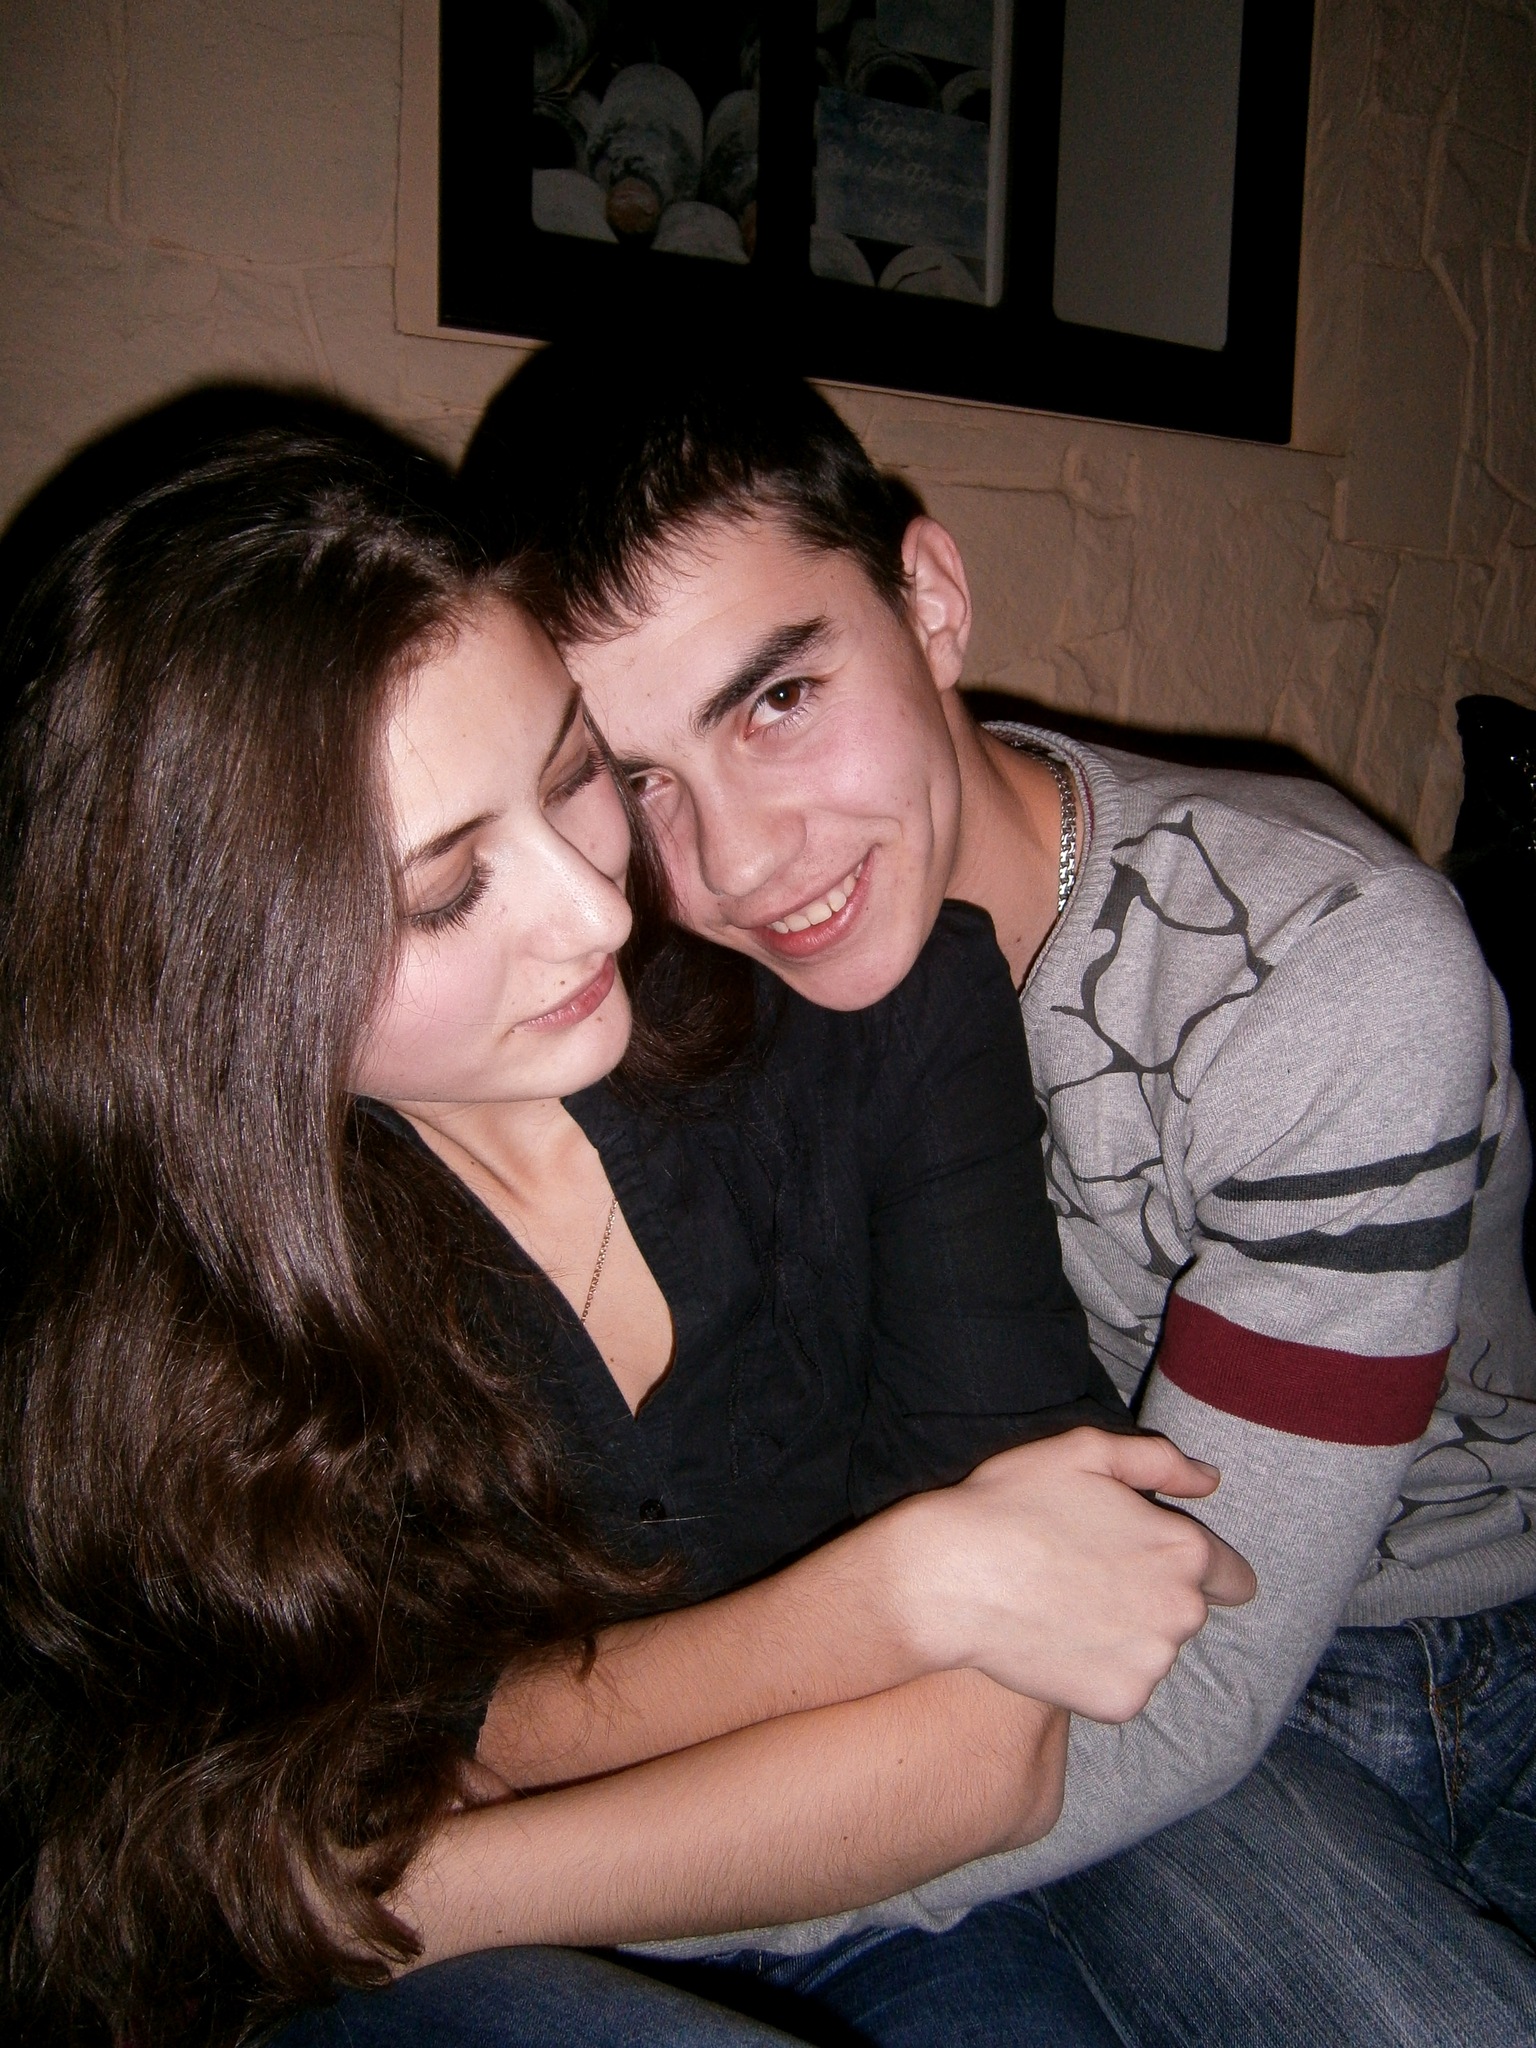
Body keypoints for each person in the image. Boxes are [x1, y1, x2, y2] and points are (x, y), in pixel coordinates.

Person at [0, 427, 1247, 2048]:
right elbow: (220, 1794)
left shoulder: (873, 1014)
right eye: (447, 889)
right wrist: (893, 1598)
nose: (601, 906)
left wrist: (406, 1872)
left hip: (833, 1916)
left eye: (574, 775)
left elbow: (989, 1751)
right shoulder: (165, 1264)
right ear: (220, 982)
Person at [461, 348, 1536, 2045]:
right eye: (635, 778)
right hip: (1049, 1615)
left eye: (778, 699)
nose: (737, 862)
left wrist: (460, 1876)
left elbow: (1179, 1683)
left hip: (1419, 1643)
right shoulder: (674, 967)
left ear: (933, 604)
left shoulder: (1327, 975)